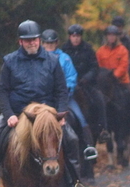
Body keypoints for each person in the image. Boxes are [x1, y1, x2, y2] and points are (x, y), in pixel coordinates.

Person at [0, 20, 90, 187]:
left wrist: (61, 114)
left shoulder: (53, 61)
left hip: (47, 115)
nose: (31, 43)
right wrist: (9, 116)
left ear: (39, 40)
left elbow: (61, 90)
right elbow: (3, 91)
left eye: (34, 39)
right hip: (18, 112)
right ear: (20, 42)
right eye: (27, 40)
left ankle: (75, 183)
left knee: (71, 138)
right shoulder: (9, 61)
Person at [41, 29, 97, 162]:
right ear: (42, 44)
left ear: (57, 43)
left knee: (80, 117)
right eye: (47, 43)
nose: (49, 46)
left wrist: (65, 92)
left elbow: (71, 77)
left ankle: (88, 147)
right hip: (42, 100)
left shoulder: (65, 58)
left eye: (52, 43)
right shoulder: (37, 59)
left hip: (64, 98)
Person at [61, 23, 110, 143]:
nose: (76, 38)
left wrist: (86, 78)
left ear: (81, 36)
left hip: (86, 84)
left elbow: (94, 67)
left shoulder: (88, 48)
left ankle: (103, 129)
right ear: (69, 37)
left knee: (99, 99)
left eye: (78, 35)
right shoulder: (64, 50)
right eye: (73, 36)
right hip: (68, 84)